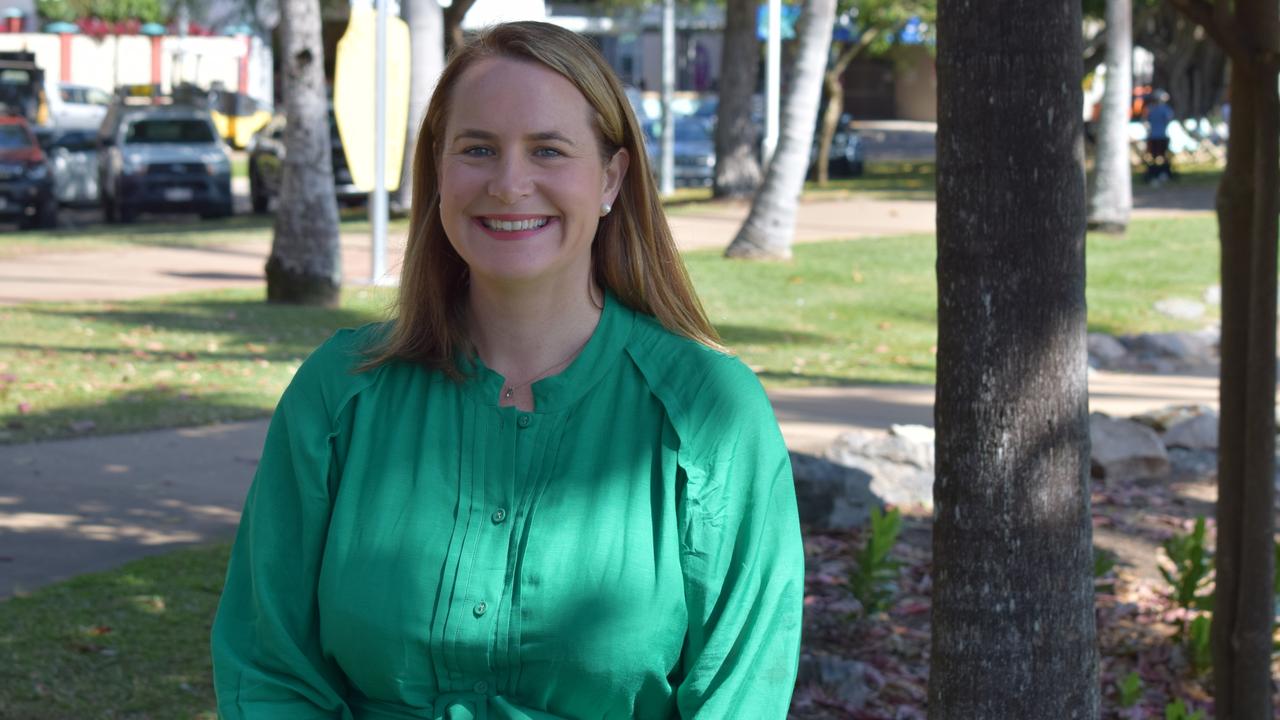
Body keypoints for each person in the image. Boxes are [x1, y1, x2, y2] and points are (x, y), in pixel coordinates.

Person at [210, 20, 804, 720]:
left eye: (548, 150)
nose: (509, 182)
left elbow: (741, 696)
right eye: (478, 149)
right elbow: (266, 666)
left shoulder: (712, 413)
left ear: (611, 178)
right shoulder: (340, 392)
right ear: (438, 171)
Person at [1144, 89, 1175, 185]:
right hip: (1161, 136)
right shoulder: (1165, 109)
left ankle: (1154, 174)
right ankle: (1162, 173)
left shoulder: (1150, 108)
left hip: (1153, 136)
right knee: (1163, 156)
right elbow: (1169, 119)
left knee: (1154, 157)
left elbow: (1145, 120)